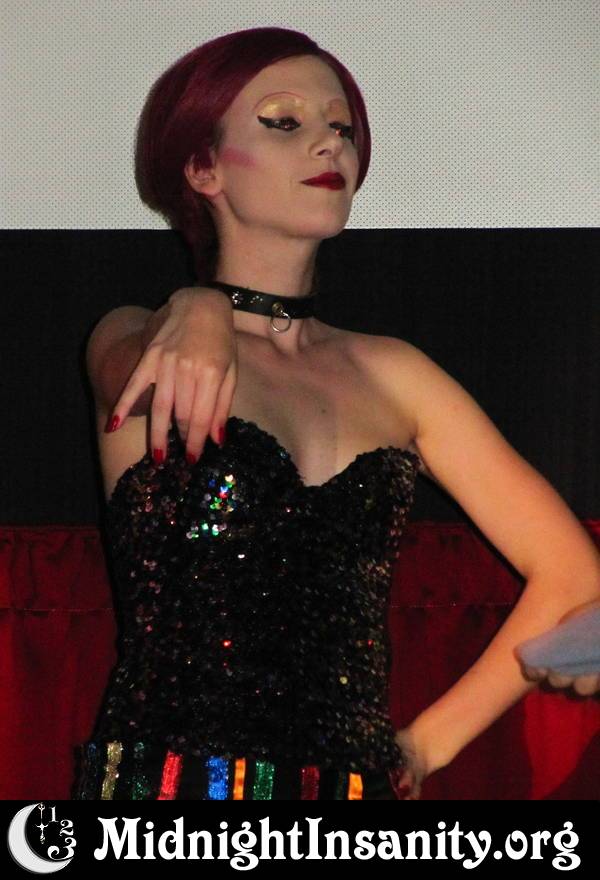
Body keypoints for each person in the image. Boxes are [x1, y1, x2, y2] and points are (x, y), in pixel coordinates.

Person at [75, 27, 600, 801]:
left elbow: (574, 576)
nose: (329, 143)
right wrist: (194, 305)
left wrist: (426, 745)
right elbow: (127, 362)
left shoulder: (397, 375)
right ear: (202, 167)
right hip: (174, 796)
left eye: (342, 128)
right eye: (284, 122)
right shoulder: (134, 335)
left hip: (351, 797)